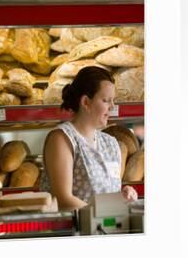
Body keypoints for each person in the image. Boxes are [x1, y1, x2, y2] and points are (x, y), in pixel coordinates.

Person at [40, 66, 138, 211]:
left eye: (113, 101)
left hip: (108, 229)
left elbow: (106, 194)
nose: (112, 106)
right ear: (86, 102)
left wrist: (123, 196)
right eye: (106, 100)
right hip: (75, 230)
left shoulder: (111, 143)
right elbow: (62, 199)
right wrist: (104, 215)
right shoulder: (62, 139)